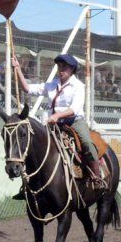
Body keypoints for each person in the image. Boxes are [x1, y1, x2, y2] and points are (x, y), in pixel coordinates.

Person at [12, 53, 107, 191]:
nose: (61, 69)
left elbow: (74, 109)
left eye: (65, 67)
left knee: (86, 142)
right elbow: (27, 89)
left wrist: (57, 115)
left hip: (74, 122)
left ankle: (97, 177)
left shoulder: (78, 86)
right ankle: (28, 184)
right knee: (33, 145)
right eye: (59, 66)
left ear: (72, 69)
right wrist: (18, 69)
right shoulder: (51, 85)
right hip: (54, 124)